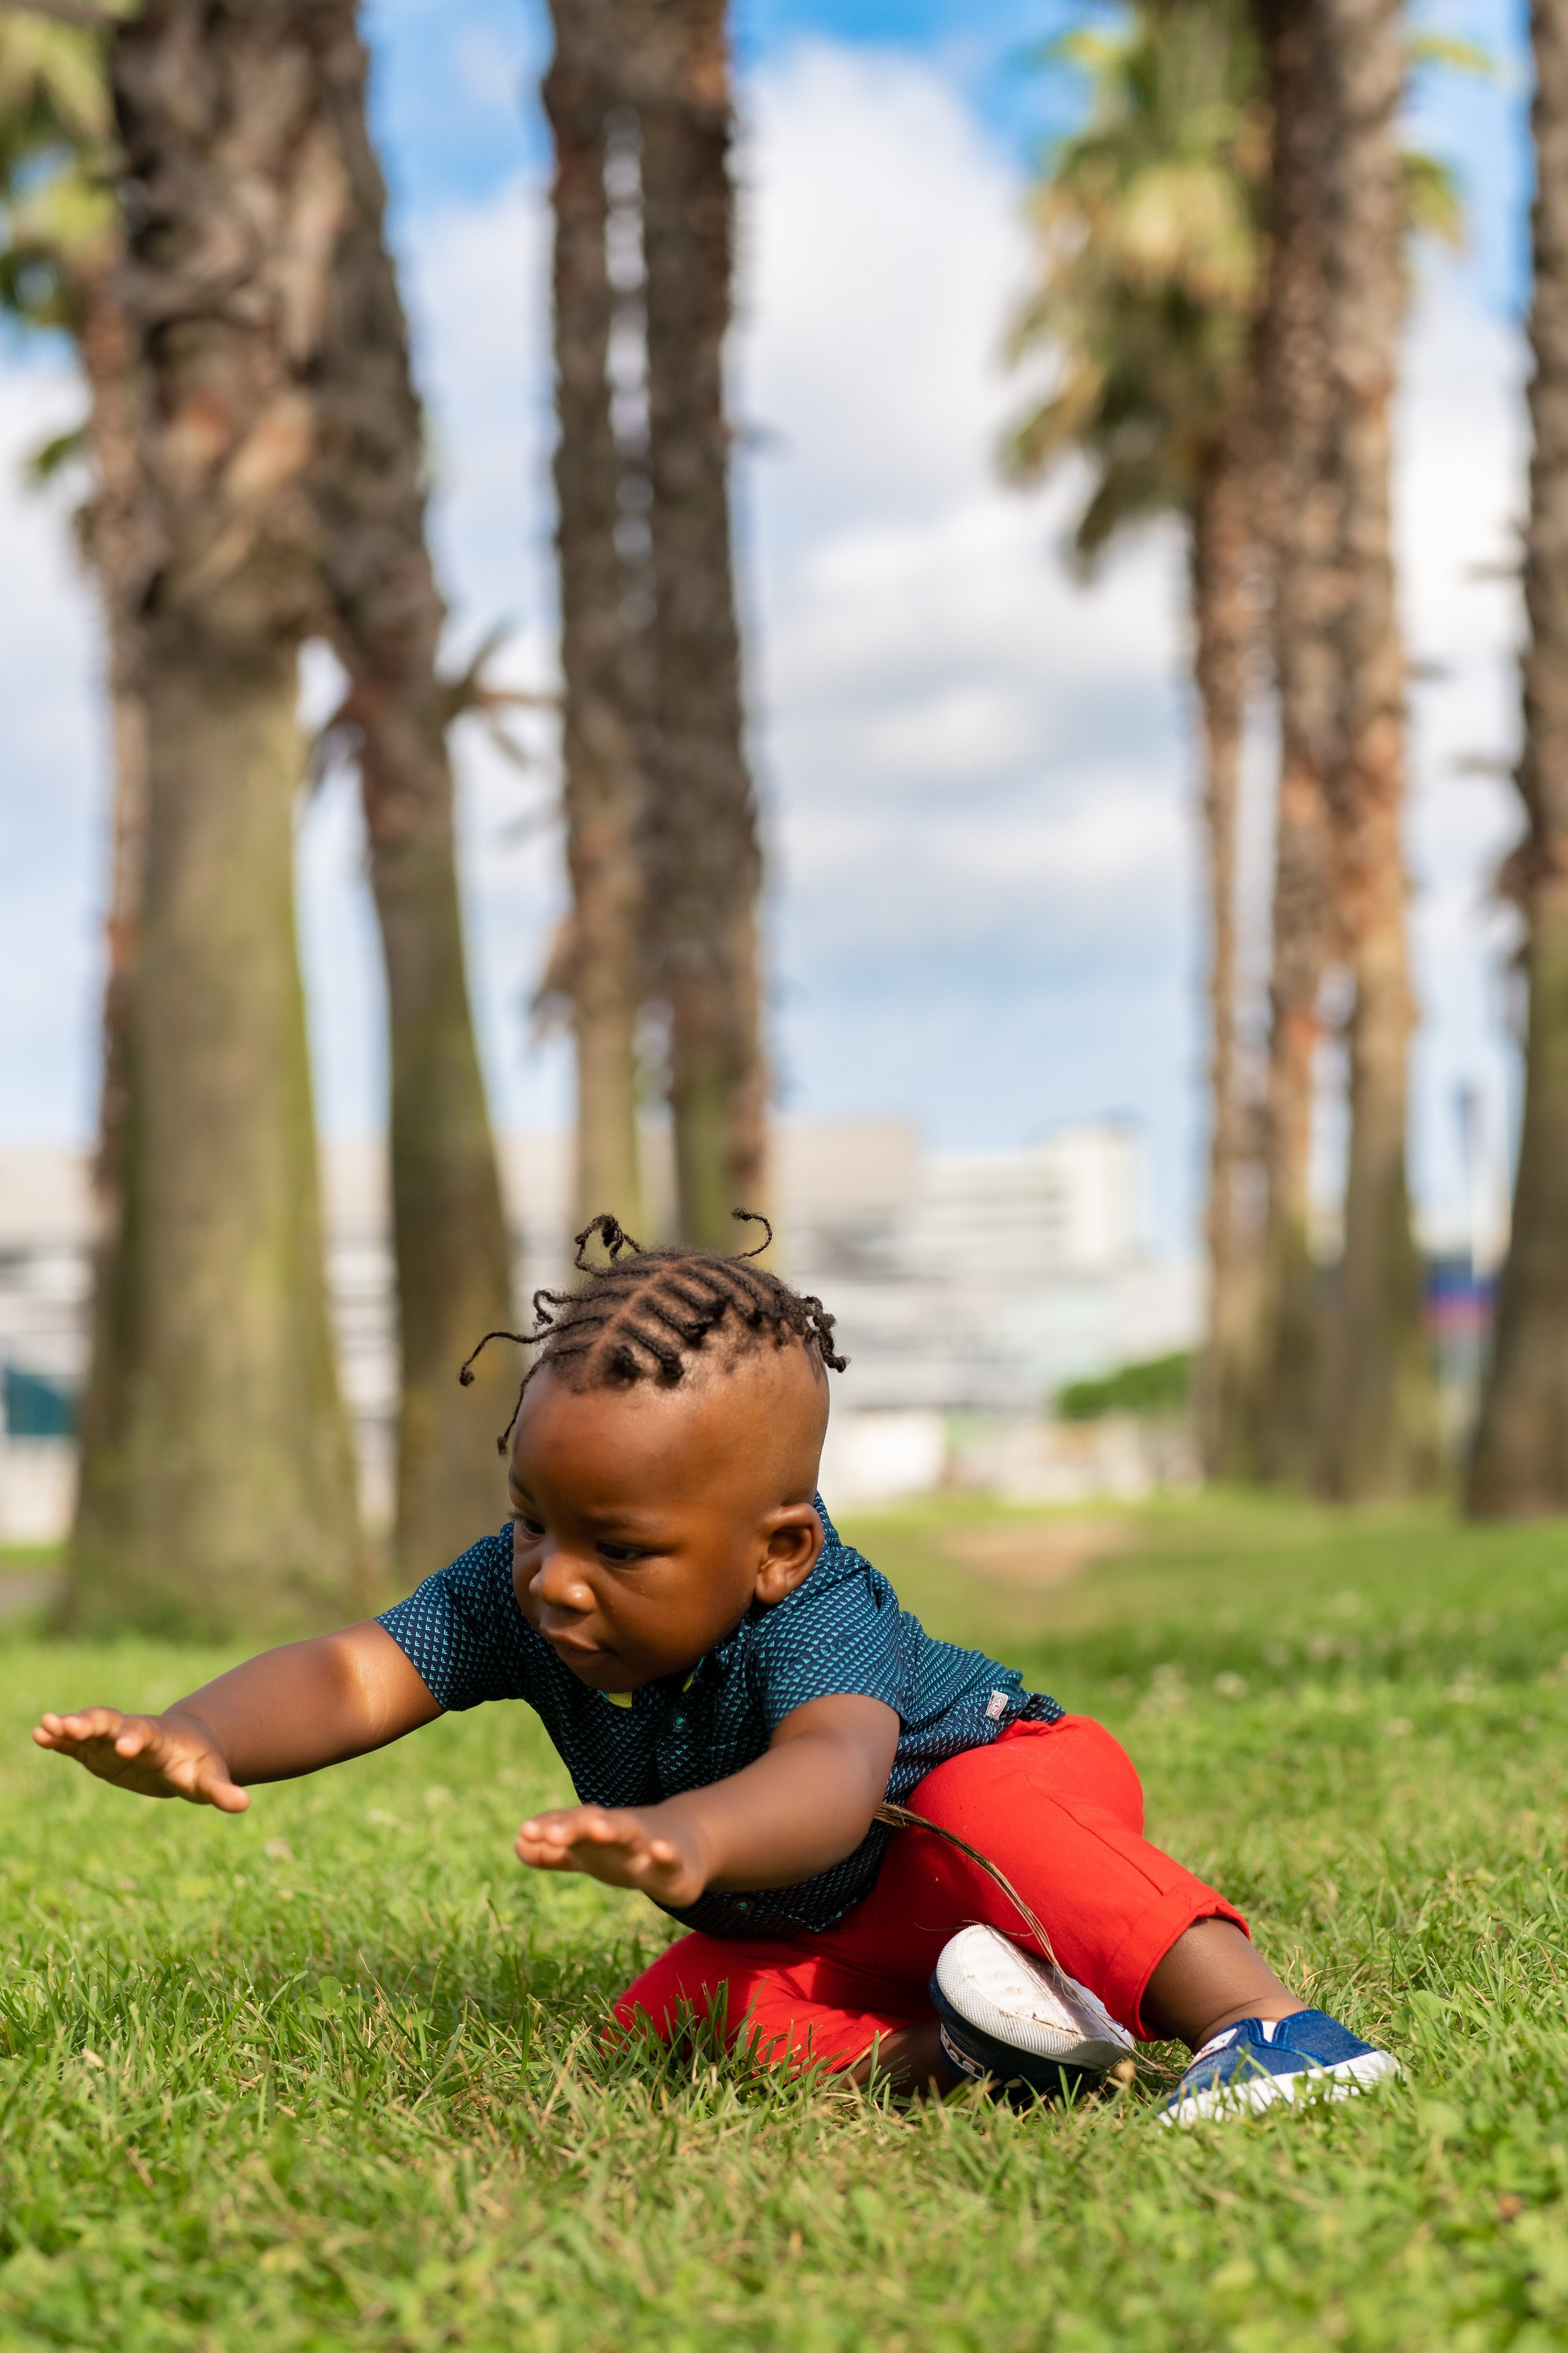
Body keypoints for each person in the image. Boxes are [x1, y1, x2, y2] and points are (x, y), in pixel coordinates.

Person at [33, 1214, 1398, 2125]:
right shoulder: (526, 1592)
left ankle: (1270, 2027)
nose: (552, 1575)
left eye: (616, 1546)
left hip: (970, 1825)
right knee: (670, 2010)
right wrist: (196, 1727)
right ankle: (975, 2053)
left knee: (993, 1813)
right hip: (810, 1918)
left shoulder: (819, 1610)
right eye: (531, 1520)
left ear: (773, 1548)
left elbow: (827, 1776)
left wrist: (689, 1834)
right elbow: (357, 1670)